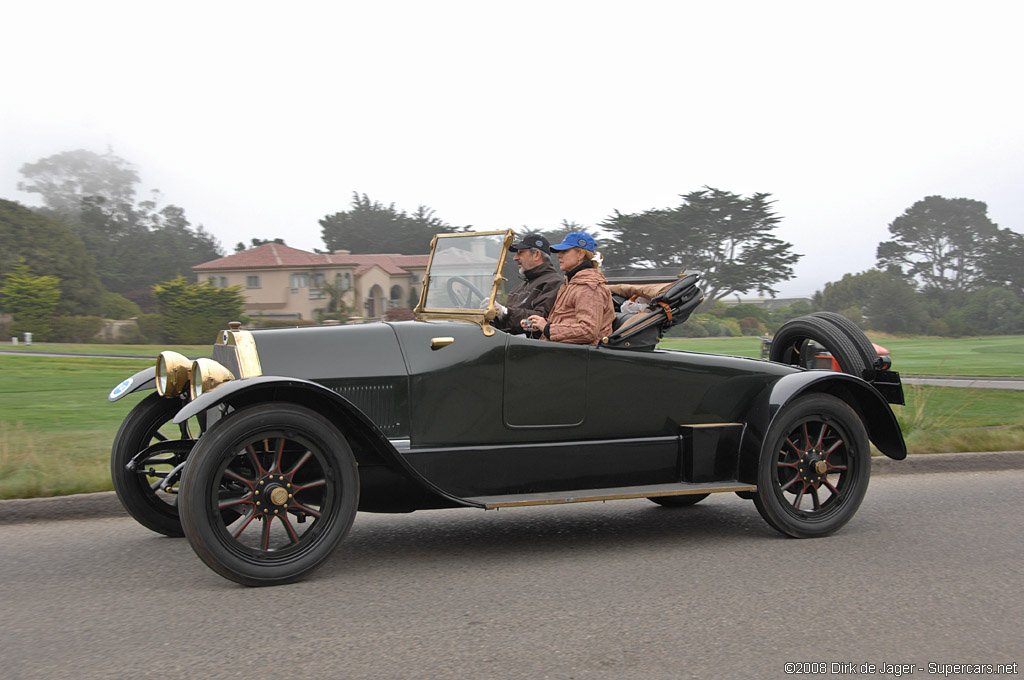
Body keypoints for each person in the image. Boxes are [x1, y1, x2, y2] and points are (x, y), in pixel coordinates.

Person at [524, 231, 614, 345]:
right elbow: (568, 320)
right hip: (566, 350)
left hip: (580, 356)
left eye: (564, 251)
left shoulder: (589, 287)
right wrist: (540, 325)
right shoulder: (571, 284)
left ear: (581, 254)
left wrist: (547, 328)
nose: (558, 255)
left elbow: (588, 331)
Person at [491, 233, 564, 334]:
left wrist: (505, 312)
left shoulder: (554, 283)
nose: (515, 258)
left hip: (533, 345)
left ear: (536, 255)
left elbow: (541, 319)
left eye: (520, 253)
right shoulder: (518, 289)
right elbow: (507, 325)